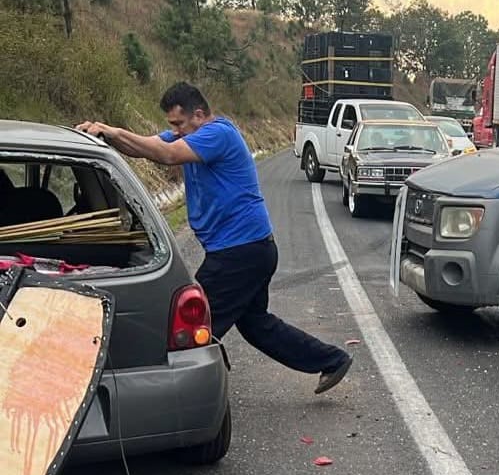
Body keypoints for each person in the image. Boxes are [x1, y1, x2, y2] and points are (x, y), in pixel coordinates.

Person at [76, 82, 353, 395]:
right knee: (257, 326)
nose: (175, 131)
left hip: (240, 252)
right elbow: (149, 146)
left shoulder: (218, 134)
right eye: (172, 125)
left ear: (198, 115)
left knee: (188, 324)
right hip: (250, 250)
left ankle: (183, 398)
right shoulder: (189, 135)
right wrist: (107, 136)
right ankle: (332, 360)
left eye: (179, 124)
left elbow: (167, 154)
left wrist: (112, 131)